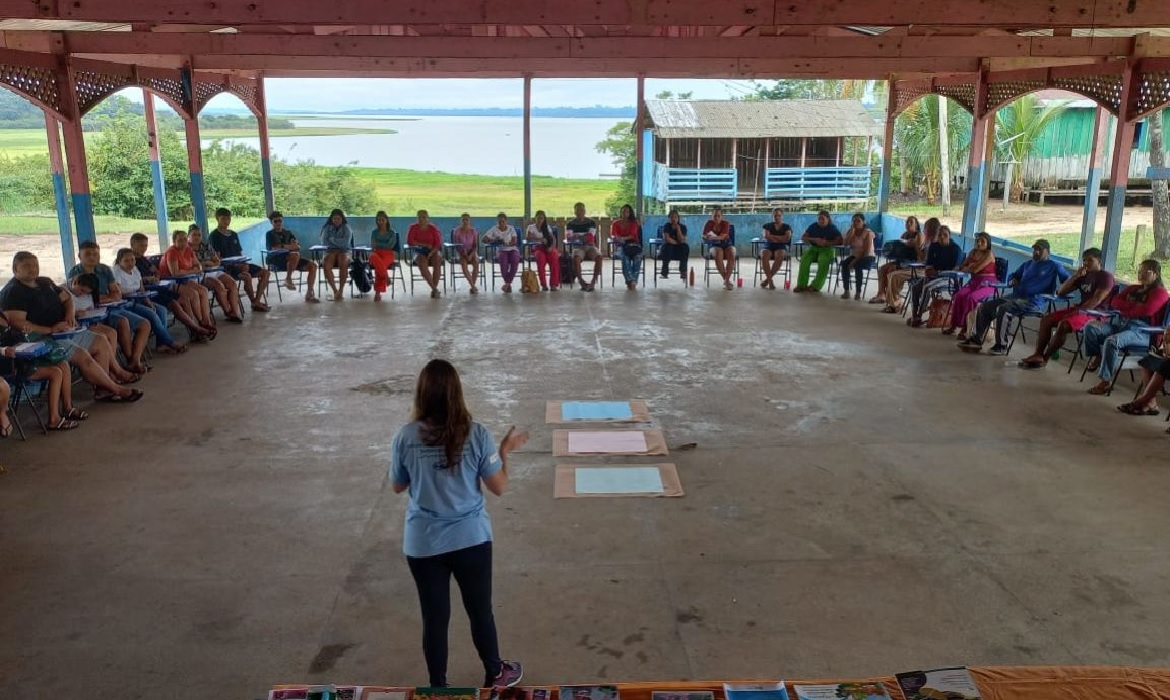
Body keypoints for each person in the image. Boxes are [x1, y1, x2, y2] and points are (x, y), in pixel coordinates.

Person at [390, 359, 526, 690]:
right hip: (471, 540)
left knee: (434, 619)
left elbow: (398, 486)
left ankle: (438, 687)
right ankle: (495, 673)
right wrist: (505, 450)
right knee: (480, 611)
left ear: (421, 394)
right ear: (457, 393)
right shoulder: (477, 434)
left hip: (423, 544)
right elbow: (499, 486)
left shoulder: (405, 437)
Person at [0, 252, 143, 402]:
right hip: (42, 338)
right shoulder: (13, 292)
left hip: (65, 330)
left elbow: (67, 298)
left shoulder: (44, 282)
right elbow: (18, 323)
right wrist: (50, 329)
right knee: (82, 355)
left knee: (101, 341)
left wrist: (69, 314)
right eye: (27, 266)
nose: (33, 269)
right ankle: (116, 389)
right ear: (15, 269)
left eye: (35, 265)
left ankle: (103, 389)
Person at [959, 238, 1070, 355]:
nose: (1036, 252)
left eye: (1040, 250)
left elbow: (1067, 280)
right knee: (985, 307)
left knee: (1004, 309)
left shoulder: (1054, 266)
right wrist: (1013, 280)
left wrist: (1062, 290)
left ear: (1048, 252)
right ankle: (976, 340)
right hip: (1014, 296)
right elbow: (1013, 275)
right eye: (1035, 249)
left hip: (1033, 301)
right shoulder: (1028, 264)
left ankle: (1001, 345)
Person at [1017, 248, 1116, 369]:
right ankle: (1038, 354)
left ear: (1099, 260)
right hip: (1080, 309)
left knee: (1064, 324)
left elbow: (1096, 300)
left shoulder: (1106, 277)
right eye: (1084, 260)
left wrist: (1076, 312)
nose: (1086, 263)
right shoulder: (1084, 275)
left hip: (1095, 314)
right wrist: (1075, 276)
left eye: (1090, 260)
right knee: (1046, 319)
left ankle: (1045, 358)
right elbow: (1061, 292)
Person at [1081, 260, 1169, 395]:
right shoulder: (1133, 288)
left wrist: (1127, 307)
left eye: (1146, 271)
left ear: (1156, 274)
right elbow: (1115, 301)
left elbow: (1146, 311)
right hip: (1122, 325)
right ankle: (1098, 356)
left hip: (1143, 333)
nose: (1141, 274)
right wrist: (1133, 307)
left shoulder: (1160, 293)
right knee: (1090, 327)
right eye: (1140, 270)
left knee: (1111, 341)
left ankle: (1105, 381)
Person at [67, 241, 153, 375]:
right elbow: (79, 295)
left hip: (109, 309)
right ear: (79, 256)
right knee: (122, 323)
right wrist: (104, 297)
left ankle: (134, 361)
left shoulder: (104, 269)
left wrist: (101, 298)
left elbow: (117, 294)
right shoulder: (76, 273)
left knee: (145, 323)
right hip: (90, 315)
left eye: (95, 254)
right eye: (88, 254)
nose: (92, 257)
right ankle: (118, 368)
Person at [1, 310, 86, 431]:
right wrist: (3, 350)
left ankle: (68, 408)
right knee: (56, 373)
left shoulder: (3, 315)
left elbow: (10, 336)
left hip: (21, 357)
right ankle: (53, 419)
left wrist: (24, 334)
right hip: (11, 366)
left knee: (63, 364)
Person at [129, 233, 215, 340]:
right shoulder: (130, 260)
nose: (144, 248)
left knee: (185, 300)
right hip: (148, 293)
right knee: (180, 301)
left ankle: (196, 327)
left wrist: (155, 276)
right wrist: (146, 279)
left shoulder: (143, 259)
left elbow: (156, 271)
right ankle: (196, 328)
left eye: (146, 245)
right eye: (141, 245)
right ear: (132, 244)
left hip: (159, 288)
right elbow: (134, 279)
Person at [112, 247, 188, 355]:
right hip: (127, 303)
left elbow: (141, 289)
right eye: (126, 261)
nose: (130, 263)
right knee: (152, 314)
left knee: (161, 309)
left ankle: (161, 343)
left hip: (139, 299)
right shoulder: (116, 272)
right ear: (119, 261)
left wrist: (148, 302)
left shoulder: (135, 270)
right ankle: (170, 342)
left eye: (132, 260)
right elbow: (118, 293)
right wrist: (133, 296)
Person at [210, 207, 271, 312]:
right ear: (217, 219)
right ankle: (254, 302)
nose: (226, 221)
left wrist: (243, 262)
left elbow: (239, 253)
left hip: (240, 264)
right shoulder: (214, 235)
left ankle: (257, 299)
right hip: (227, 268)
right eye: (223, 218)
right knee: (246, 276)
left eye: (228, 218)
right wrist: (235, 264)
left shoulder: (233, 234)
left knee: (265, 273)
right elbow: (218, 258)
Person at [905, 225, 963, 327]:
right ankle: (914, 315)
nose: (942, 237)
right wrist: (930, 271)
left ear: (949, 236)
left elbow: (956, 269)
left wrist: (938, 272)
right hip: (933, 276)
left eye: (945, 235)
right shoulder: (934, 246)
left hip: (948, 278)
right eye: (939, 235)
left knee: (927, 287)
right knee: (915, 287)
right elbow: (929, 265)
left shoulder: (955, 249)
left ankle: (919, 315)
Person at [185, 225, 245, 322]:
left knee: (232, 283)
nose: (197, 237)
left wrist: (208, 263)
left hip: (214, 271)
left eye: (199, 235)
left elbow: (217, 261)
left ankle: (235, 311)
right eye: (194, 235)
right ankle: (228, 311)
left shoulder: (206, 246)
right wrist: (203, 264)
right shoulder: (186, 249)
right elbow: (193, 266)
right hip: (200, 276)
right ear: (189, 236)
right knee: (219, 286)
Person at [943, 232, 997, 337]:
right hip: (974, 282)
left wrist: (970, 267)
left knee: (971, 298)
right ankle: (953, 325)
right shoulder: (973, 252)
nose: (979, 243)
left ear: (988, 243)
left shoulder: (989, 254)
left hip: (988, 284)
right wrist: (970, 267)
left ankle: (966, 327)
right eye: (977, 241)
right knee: (959, 296)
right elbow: (962, 266)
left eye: (983, 241)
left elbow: (976, 269)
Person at [265, 211, 320, 303]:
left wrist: (283, 246)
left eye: (280, 221)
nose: (278, 223)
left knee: (313, 266)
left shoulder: (288, 233)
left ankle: (309, 293)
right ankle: (288, 278)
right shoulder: (270, 234)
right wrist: (289, 246)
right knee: (295, 254)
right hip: (276, 260)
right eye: (275, 221)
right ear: (271, 222)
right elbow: (275, 248)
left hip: (292, 259)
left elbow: (297, 246)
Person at [870, 215, 927, 304]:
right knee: (882, 269)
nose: (908, 224)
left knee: (891, 270)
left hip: (913, 262)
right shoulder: (905, 234)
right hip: (902, 260)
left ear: (916, 225)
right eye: (907, 222)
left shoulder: (920, 235)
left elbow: (917, 247)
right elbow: (899, 245)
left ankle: (894, 298)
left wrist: (909, 242)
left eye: (911, 222)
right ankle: (881, 294)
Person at [794, 210, 843, 294]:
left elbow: (840, 240)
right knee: (804, 259)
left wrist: (827, 243)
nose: (820, 220)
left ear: (828, 219)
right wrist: (815, 239)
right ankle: (801, 285)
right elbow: (804, 237)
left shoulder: (832, 228)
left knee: (823, 260)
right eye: (819, 218)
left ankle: (816, 286)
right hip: (813, 248)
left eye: (822, 218)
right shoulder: (813, 226)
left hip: (827, 249)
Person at [408, 209, 444, 299]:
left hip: (433, 251)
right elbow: (410, 242)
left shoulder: (432, 228)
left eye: (423, 217)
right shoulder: (413, 227)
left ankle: (433, 289)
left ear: (428, 218)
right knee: (422, 263)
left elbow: (438, 243)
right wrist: (423, 244)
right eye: (419, 217)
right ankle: (434, 289)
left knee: (437, 260)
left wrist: (431, 253)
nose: (421, 219)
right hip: (418, 251)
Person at [565, 202, 601, 292]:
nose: (580, 211)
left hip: (590, 246)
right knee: (576, 258)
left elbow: (590, 236)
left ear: (585, 211)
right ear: (574, 212)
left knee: (599, 257)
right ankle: (581, 281)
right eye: (577, 210)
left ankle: (593, 281)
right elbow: (569, 237)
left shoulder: (591, 222)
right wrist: (583, 236)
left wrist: (577, 235)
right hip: (577, 247)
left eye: (581, 209)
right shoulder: (570, 223)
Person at [839, 213, 875, 301]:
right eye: (854, 221)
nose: (856, 223)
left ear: (863, 222)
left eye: (858, 221)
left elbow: (866, 251)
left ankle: (858, 292)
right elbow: (845, 244)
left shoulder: (868, 233)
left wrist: (854, 261)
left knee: (858, 265)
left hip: (868, 256)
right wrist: (851, 232)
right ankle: (846, 290)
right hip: (855, 255)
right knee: (844, 264)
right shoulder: (852, 231)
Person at [483, 212, 521, 293]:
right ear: (497, 222)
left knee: (515, 260)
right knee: (503, 263)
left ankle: (507, 284)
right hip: (501, 250)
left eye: (503, 221)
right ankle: (508, 284)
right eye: (499, 222)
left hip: (512, 249)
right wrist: (494, 240)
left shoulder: (511, 228)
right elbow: (484, 239)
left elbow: (515, 241)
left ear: (506, 221)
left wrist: (508, 243)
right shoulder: (494, 229)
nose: (501, 223)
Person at [320, 208, 353, 302]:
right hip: (330, 251)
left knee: (343, 261)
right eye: (334, 218)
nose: (336, 220)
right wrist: (337, 243)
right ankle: (335, 291)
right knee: (326, 264)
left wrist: (332, 239)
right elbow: (324, 242)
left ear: (342, 219)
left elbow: (346, 243)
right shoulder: (327, 228)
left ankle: (341, 290)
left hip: (344, 251)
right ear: (331, 219)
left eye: (338, 218)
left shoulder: (347, 228)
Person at [368, 210, 401, 302]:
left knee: (380, 267)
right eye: (379, 220)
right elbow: (373, 245)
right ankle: (386, 277)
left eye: (383, 220)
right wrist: (381, 245)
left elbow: (390, 246)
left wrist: (379, 244)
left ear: (386, 220)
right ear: (377, 221)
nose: (381, 222)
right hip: (376, 253)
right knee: (374, 257)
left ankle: (377, 293)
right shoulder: (374, 232)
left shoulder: (392, 233)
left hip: (388, 253)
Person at [610, 203, 643, 290]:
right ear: (621, 212)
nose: (625, 213)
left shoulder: (634, 223)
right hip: (621, 245)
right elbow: (613, 235)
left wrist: (623, 238)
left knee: (638, 257)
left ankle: (633, 281)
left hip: (633, 245)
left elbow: (633, 235)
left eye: (627, 211)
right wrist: (618, 239)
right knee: (624, 257)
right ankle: (630, 280)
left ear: (630, 213)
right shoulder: (616, 223)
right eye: (623, 211)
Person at [702, 205, 736, 290]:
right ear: (711, 216)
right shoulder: (709, 223)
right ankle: (727, 280)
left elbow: (723, 237)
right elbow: (704, 235)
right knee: (718, 254)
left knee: (731, 254)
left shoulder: (726, 223)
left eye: (718, 216)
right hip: (714, 245)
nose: (716, 218)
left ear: (722, 216)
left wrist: (711, 237)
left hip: (727, 244)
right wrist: (706, 237)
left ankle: (726, 280)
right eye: (714, 216)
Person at [524, 210, 558, 291]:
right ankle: (544, 284)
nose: (540, 220)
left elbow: (552, 239)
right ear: (535, 218)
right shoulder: (531, 227)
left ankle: (553, 284)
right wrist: (540, 239)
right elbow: (528, 238)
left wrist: (551, 247)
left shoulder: (547, 227)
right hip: (537, 248)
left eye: (542, 218)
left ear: (544, 219)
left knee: (554, 257)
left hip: (548, 247)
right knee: (541, 259)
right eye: (538, 218)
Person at [759, 208, 791, 290]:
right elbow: (766, 236)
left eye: (779, 215)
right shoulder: (767, 225)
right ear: (772, 216)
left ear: (782, 216)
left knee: (780, 255)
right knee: (764, 255)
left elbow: (787, 238)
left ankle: (767, 280)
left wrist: (773, 236)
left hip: (781, 246)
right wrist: (780, 238)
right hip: (769, 245)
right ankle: (770, 281)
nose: (777, 217)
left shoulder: (787, 227)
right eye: (775, 215)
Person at [452, 213, 482, 294]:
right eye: (463, 220)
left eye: (467, 219)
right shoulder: (457, 231)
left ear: (470, 221)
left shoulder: (473, 231)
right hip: (461, 252)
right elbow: (457, 245)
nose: (465, 221)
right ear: (460, 221)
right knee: (464, 264)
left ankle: (473, 286)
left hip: (472, 252)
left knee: (476, 263)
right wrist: (464, 254)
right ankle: (472, 286)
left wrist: (471, 254)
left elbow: (475, 245)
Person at [658, 209, 689, 281]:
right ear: (669, 218)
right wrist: (676, 243)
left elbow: (682, 240)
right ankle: (664, 271)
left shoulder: (683, 227)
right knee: (667, 247)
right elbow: (667, 238)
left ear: (678, 218)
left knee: (685, 247)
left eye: (675, 217)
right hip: (669, 249)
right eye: (671, 217)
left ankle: (683, 271)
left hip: (679, 250)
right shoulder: (667, 226)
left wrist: (678, 229)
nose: (673, 219)